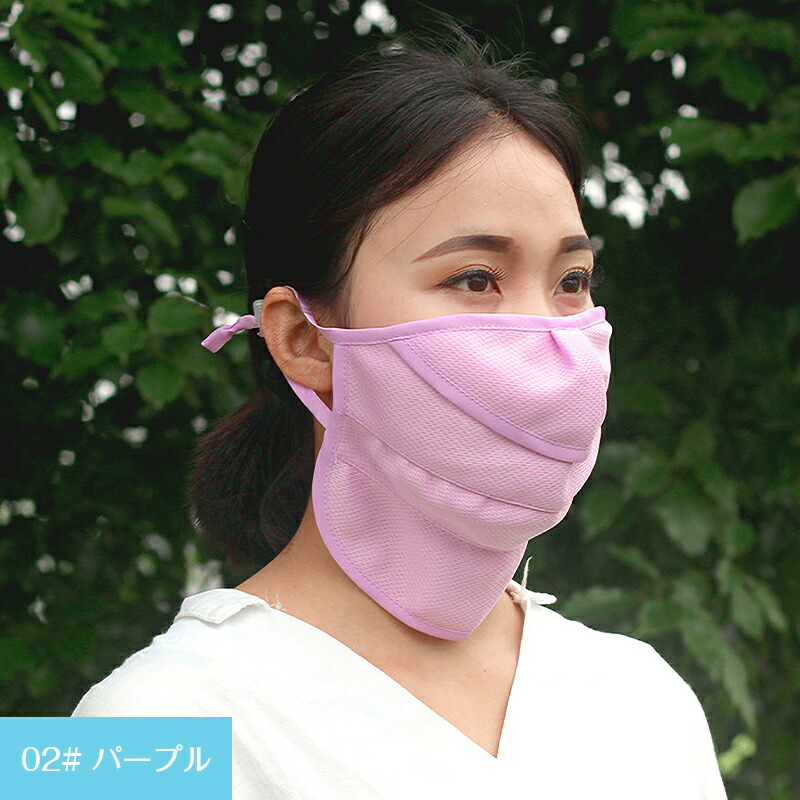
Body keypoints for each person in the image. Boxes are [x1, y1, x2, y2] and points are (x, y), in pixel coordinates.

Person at [73, 30, 728, 800]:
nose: (548, 338)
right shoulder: (135, 732)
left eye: (572, 280)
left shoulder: (645, 698)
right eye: (476, 278)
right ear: (303, 340)